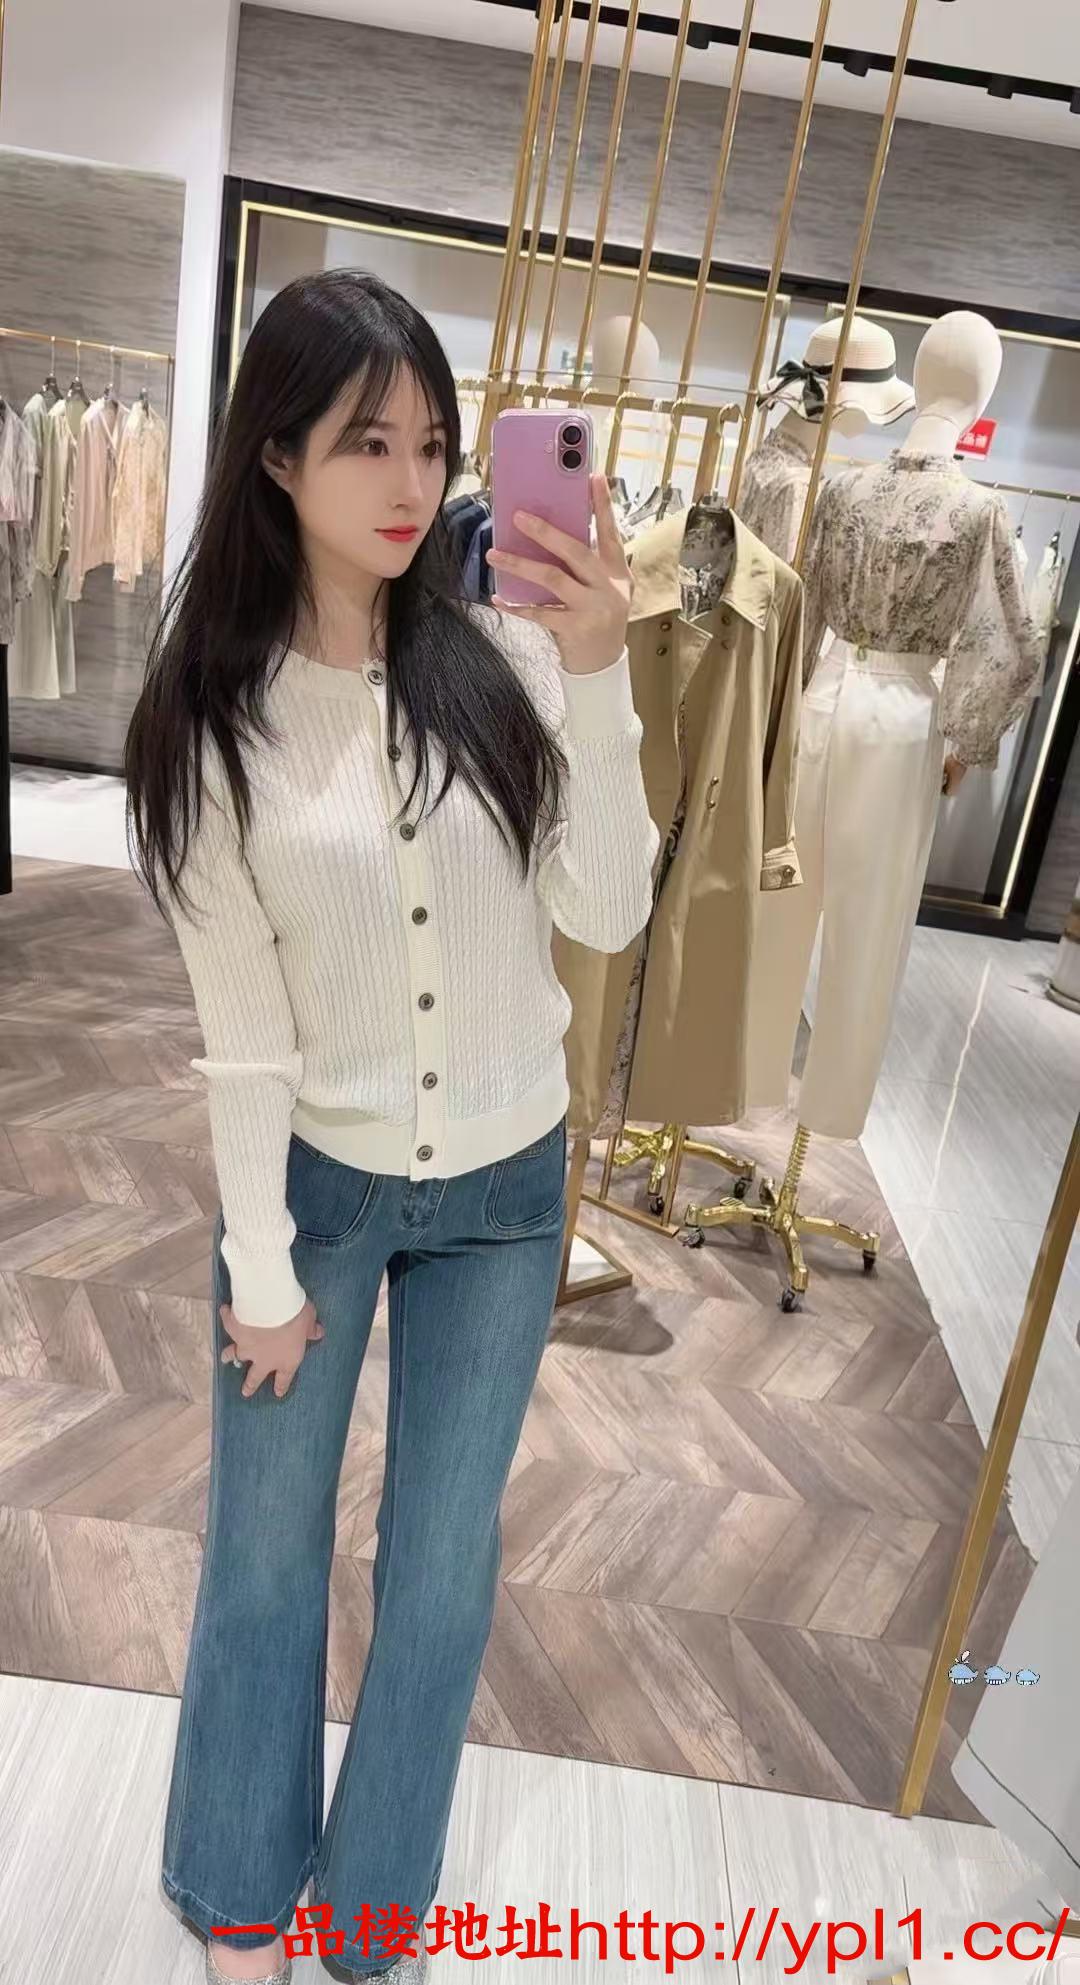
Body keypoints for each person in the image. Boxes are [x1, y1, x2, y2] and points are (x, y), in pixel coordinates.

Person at [124, 268, 659, 1985]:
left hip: (507, 1189)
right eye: (369, 441)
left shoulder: (508, 658)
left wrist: (602, 677)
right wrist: (262, 1267)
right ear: (276, 455)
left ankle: (367, 1920)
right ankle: (240, 1894)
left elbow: (612, 904)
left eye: (434, 441)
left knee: (437, 1571)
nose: (414, 479)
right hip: (318, 1188)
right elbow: (243, 1036)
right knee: (263, 1559)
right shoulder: (213, 720)